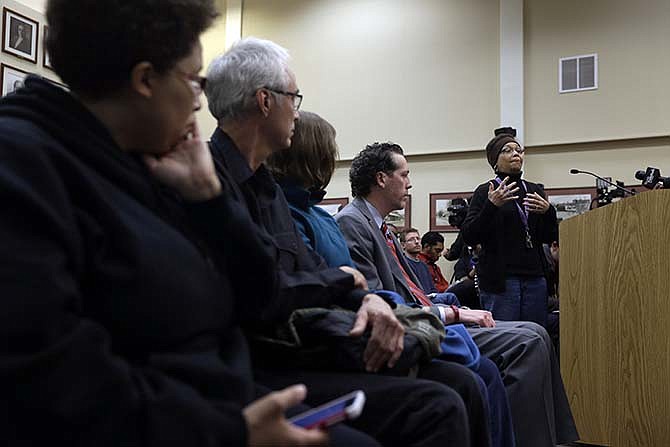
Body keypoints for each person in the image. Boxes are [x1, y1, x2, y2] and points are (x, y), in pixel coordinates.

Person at [0, 1, 358, 445]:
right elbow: (51, 377)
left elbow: (258, 293)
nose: (199, 100)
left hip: (219, 403)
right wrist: (232, 433)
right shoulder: (23, 164)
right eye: (193, 80)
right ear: (145, 80)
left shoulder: (151, 164)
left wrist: (210, 200)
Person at [205, 38, 475, 447]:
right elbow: (259, 289)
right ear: (264, 101)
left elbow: (312, 266)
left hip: (304, 339)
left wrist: (366, 298)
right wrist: (348, 285)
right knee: (438, 405)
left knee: (461, 384)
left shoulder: (266, 187)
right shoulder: (211, 181)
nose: (297, 110)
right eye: (293, 98)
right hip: (270, 356)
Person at [335, 141, 579, 447]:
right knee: (528, 340)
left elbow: (413, 292)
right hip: (418, 327)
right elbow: (379, 302)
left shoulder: (382, 227)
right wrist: (452, 312)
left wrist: (547, 214)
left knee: (538, 334)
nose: (410, 183)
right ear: (382, 179)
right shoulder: (353, 223)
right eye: (405, 174)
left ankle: (557, 440)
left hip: (435, 312)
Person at [461, 127, 558, 328]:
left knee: (536, 335)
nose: (516, 154)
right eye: (507, 150)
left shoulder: (534, 190)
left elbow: (549, 236)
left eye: (518, 150)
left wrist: (549, 211)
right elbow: (470, 235)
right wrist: (491, 205)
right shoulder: (485, 191)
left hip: (535, 278)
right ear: (495, 160)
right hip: (501, 280)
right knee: (507, 338)